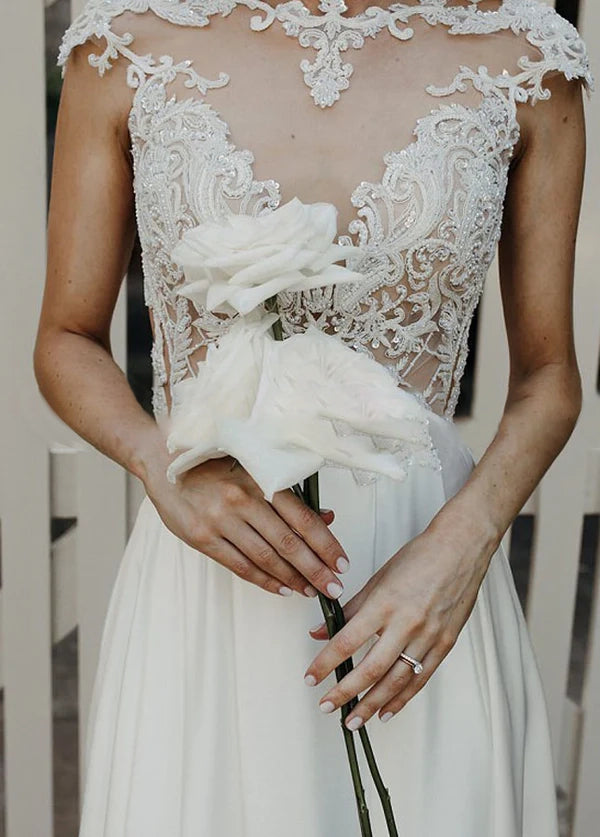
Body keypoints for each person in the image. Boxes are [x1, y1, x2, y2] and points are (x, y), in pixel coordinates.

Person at [34, 1, 593, 834]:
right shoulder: (125, 44)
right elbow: (66, 338)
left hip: (423, 581)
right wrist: (157, 461)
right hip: (211, 578)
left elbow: (549, 377)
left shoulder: (525, 58)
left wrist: (462, 550)